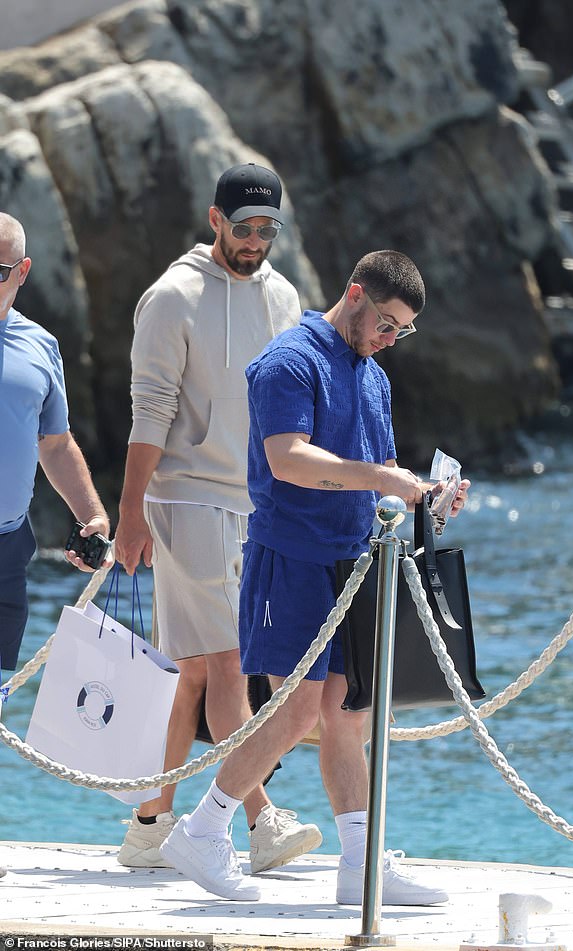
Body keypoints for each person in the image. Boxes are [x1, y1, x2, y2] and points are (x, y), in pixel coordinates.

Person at [158, 249, 471, 903]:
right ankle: (203, 829)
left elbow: (379, 475)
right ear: (355, 294)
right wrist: (381, 477)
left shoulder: (373, 378)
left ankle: (360, 867)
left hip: (350, 564)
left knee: (347, 714)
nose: (390, 339)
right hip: (289, 560)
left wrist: (423, 495)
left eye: (402, 331)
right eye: (386, 322)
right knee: (298, 708)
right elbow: (289, 460)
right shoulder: (288, 360)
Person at [114, 163, 322, 873]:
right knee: (233, 662)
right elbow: (149, 413)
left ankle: (149, 826)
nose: (256, 241)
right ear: (215, 220)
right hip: (185, 498)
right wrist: (130, 516)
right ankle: (258, 821)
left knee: (196, 675)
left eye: (268, 230)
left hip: (255, 505)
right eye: (245, 228)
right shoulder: (172, 297)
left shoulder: (285, 296)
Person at [1, 212, 113, 878]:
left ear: (21, 273)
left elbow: (55, 442)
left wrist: (93, 513)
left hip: (9, 545)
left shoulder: (40, 345)